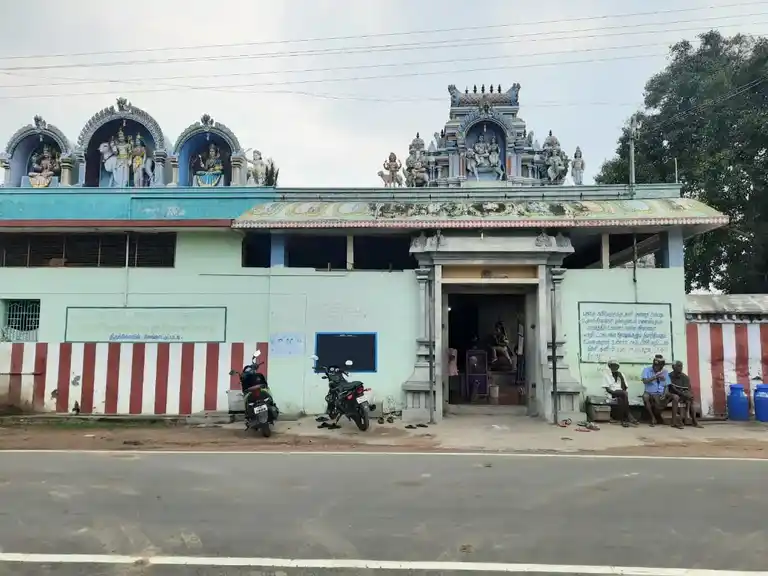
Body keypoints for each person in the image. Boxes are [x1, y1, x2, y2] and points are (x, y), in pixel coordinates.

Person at [669, 360, 702, 428]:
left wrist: (689, 395)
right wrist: (683, 394)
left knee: (690, 400)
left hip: (682, 395)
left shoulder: (685, 377)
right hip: (671, 394)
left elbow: (688, 389)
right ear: (673, 367)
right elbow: (672, 388)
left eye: (681, 366)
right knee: (676, 397)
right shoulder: (669, 376)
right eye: (678, 366)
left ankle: (694, 421)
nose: (680, 368)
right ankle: (675, 422)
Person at [603, 360, 636, 427]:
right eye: (612, 366)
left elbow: (625, 387)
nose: (614, 367)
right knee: (624, 394)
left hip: (621, 394)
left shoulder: (621, 374)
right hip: (611, 393)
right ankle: (628, 415)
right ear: (610, 367)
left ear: (618, 367)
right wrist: (616, 392)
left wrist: (621, 391)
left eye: (616, 366)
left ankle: (623, 420)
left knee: (622, 399)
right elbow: (607, 389)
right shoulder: (606, 375)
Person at [641, 354, 671, 426]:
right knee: (645, 397)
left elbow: (666, 385)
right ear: (654, 365)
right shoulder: (646, 370)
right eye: (657, 366)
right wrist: (655, 377)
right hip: (649, 392)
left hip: (660, 392)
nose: (658, 368)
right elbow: (645, 381)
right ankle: (652, 417)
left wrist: (664, 394)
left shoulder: (665, 372)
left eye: (661, 367)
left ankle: (658, 416)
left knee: (665, 399)